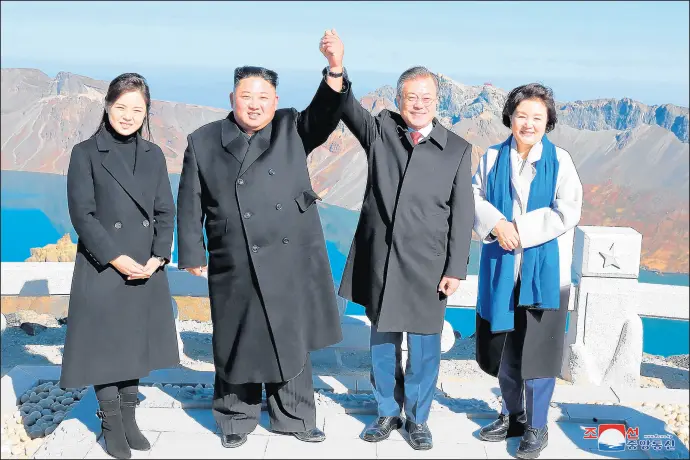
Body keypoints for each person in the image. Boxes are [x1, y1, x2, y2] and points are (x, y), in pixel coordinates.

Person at [176, 30, 348, 448]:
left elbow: (325, 113)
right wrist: (192, 252)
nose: (254, 104)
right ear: (231, 98)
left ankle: (295, 417)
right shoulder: (203, 140)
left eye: (263, 97)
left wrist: (335, 68)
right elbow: (189, 200)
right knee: (237, 336)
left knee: (290, 336)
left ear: (275, 100)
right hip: (233, 255)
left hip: (291, 258)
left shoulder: (292, 126)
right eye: (246, 96)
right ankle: (235, 418)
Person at [337, 66, 475, 450]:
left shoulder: (457, 149)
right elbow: (347, 108)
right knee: (382, 343)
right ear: (399, 100)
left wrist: (455, 267)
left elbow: (462, 215)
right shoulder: (381, 132)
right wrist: (336, 70)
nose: (418, 104)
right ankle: (386, 411)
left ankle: (417, 418)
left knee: (424, 349)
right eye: (410, 97)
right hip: (382, 261)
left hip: (429, 266)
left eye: (426, 97)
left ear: (437, 101)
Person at [60, 73, 179, 459]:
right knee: (105, 347)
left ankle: (129, 417)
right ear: (107, 106)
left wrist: (160, 255)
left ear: (146, 113)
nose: (128, 116)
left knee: (134, 345)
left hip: (146, 264)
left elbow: (165, 208)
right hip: (103, 265)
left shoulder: (153, 154)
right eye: (121, 107)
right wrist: (115, 257)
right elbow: (83, 215)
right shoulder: (85, 153)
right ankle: (110, 422)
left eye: (137, 109)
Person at [472, 83, 583, 459]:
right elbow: (474, 198)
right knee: (505, 350)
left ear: (548, 121)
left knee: (538, 355)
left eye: (537, 117)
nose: (529, 123)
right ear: (510, 118)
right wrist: (495, 223)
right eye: (522, 116)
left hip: (545, 275)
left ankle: (537, 426)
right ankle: (512, 415)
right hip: (502, 267)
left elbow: (568, 210)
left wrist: (517, 229)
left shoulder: (561, 161)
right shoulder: (490, 157)